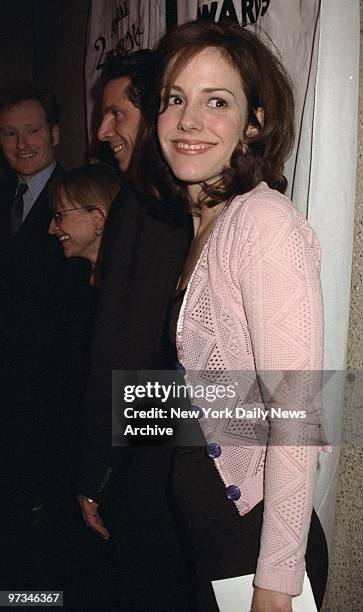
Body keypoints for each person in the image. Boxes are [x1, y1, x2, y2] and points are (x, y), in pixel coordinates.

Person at [142, 20, 329, 611]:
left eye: (216, 101)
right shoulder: (204, 224)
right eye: (176, 99)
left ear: (255, 123)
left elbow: (296, 411)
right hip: (215, 537)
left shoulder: (261, 224)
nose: (188, 121)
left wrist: (276, 582)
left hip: (254, 549)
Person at [77, 51, 193, 609]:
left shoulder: (145, 206)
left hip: (146, 468)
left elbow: (122, 351)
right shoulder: (185, 203)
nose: (103, 131)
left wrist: (95, 473)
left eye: (118, 114)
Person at [0, 83, 89, 590]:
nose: (22, 143)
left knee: (54, 532)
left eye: (33, 130)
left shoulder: (79, 199)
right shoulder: (6, 197)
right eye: (9, 133)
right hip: (12, 403)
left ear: (55, 133)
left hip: (56, 403)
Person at [48, 163, 122, 286]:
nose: (51, 229)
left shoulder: (135, 280)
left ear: (98, 219)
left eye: (59, 216)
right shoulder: (76, 281)